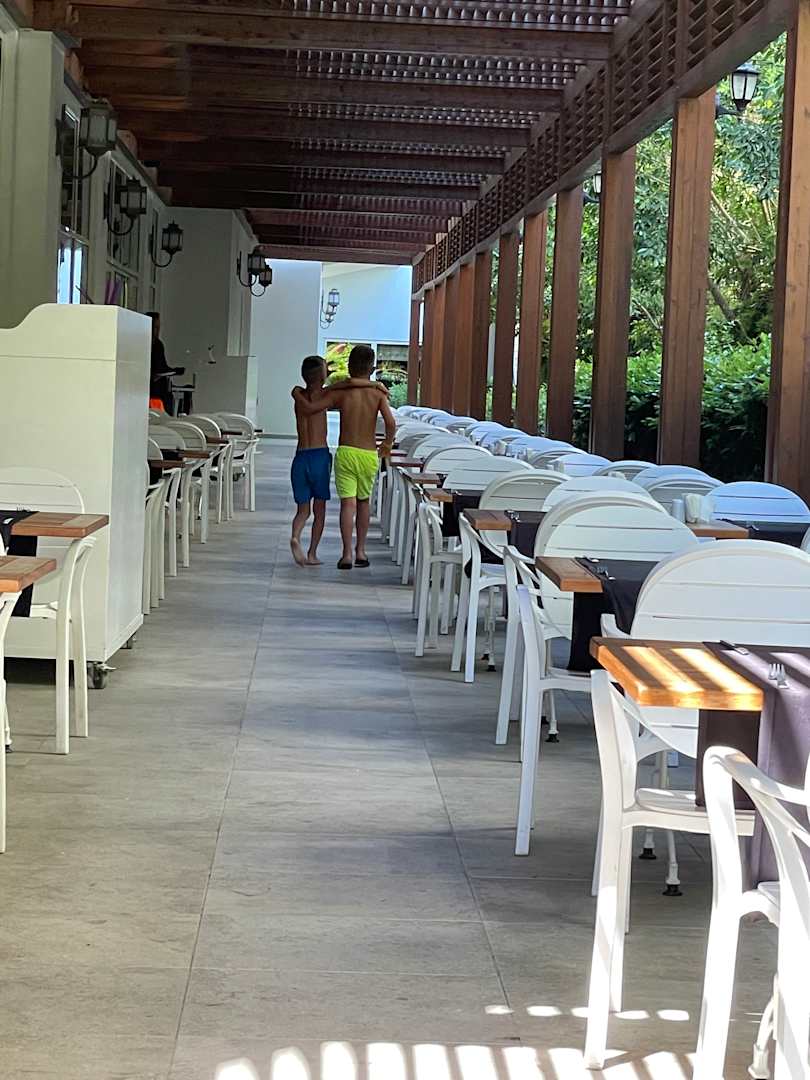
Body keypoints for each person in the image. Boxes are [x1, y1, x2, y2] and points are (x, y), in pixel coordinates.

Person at [292, 345, 396, 570]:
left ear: (349, 367)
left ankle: (346, 553)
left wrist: (297, 394)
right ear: (372, 368)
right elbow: (390, 423)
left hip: (346, 452)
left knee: (348, 505)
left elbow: (313, 406)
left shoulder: (341, 394)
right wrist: (387, 444)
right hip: (368, 454)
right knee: (363, 502)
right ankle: (361, 551)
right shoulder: (378, 395)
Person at [290, 355, 332, 566]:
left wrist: (296, 392)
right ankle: (312, 553)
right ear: (323, 375)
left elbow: (301, 399)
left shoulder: (299, 396)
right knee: (319, 510)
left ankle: (295, 536)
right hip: (319, 457)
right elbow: (349, 384)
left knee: (303, 510)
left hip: (300, 457)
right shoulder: (325, 395)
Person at [146, 312, 184, 415]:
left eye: (159, 327)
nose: (157, 331)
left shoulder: (159, 345)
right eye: (155, 327)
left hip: (160, 389)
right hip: (149, 390)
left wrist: (174, 371)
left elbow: (162, 367)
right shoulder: (143, 344)